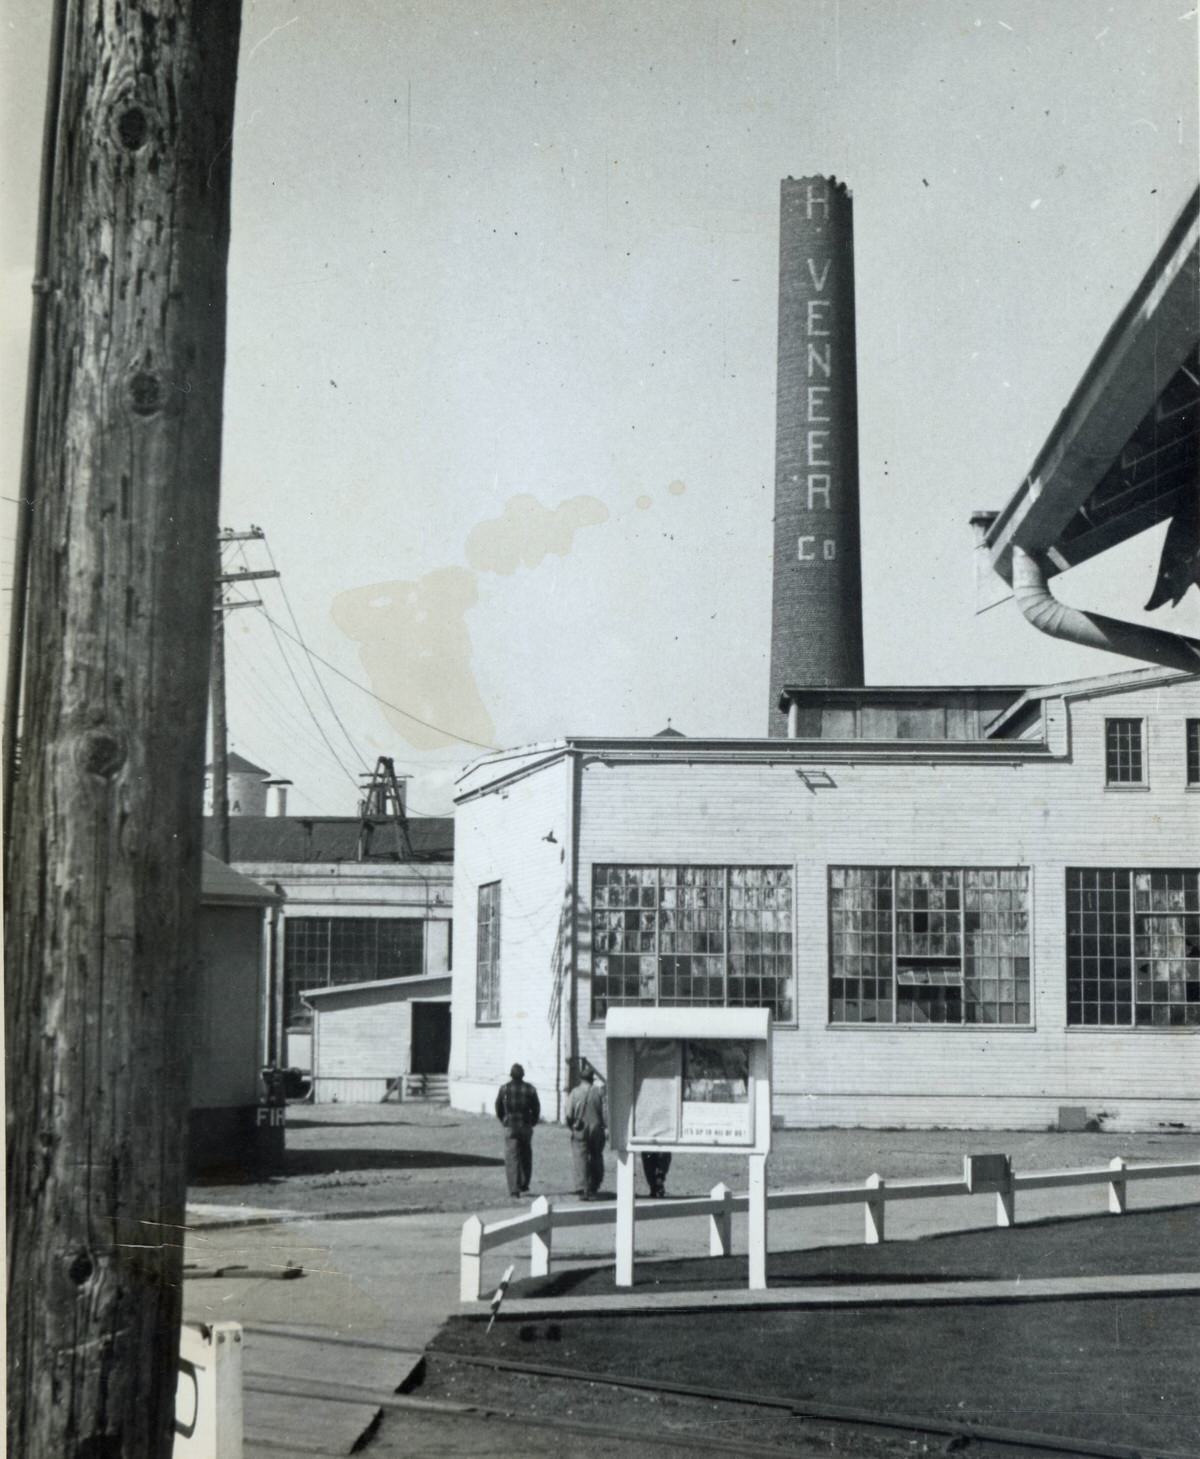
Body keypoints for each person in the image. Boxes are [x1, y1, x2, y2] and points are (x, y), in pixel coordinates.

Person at [495, 1062, 540, 1199]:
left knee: (512, 1157)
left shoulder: (504, 1089)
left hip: (510, 1126)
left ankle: (514, 1189)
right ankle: (524, 1183)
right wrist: (533, 1122)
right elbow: (536, 1108)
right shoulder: (530, 1089)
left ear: (511, 1075)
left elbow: (498, 1107)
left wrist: (503, 1119)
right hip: (525, 1125)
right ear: (523, 1075)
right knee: (526, 1154)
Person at [565, 1063, 607, 1199]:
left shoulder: (575, 1092)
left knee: (580, 1158)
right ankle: (594, 1186)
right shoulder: (599, 1092)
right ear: (592, 1079)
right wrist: (605, 1128)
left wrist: (572, 1126)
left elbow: (568, 1114)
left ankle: (582, 1188)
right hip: (596, 1128)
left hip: (580, 1129)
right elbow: (605, 1112)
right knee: (596, 1156)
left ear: (581, 1079)